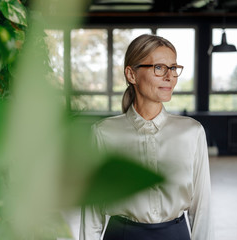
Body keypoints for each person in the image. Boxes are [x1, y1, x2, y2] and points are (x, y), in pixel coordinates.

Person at [79, 34, 213, 240]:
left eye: (173, 68)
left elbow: (202, 209)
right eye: (159, 68)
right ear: (131, 74)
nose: (170, 76)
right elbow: (91, 213)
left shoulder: (192, 132)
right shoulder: (103, 133)